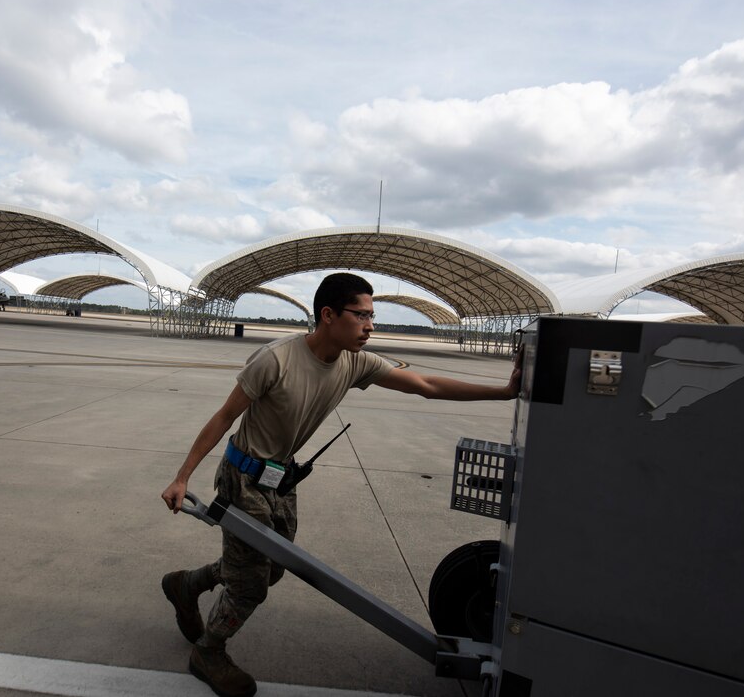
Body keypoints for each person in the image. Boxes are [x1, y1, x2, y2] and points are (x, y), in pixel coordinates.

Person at [160, 272, 520, 697]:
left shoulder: (355, 361)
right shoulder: (275, 359)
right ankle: (209, 650)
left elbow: (425, 385)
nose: (370, 326)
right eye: (361, 315)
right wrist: (182, 477)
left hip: (281, 480)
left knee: (271, 568)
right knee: (250, 584)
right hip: (243, 477)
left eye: (372, 316)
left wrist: (504, 392)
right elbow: (224, 417)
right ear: (328, 315)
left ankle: (187, 585)